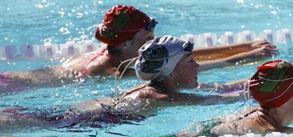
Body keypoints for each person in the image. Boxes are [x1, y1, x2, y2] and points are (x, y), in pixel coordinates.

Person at [0, 36, 293, 130]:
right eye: (190, 62)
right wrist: (287, 85)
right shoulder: (161, 97)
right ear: (173, 71)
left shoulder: (169, 87)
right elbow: (219, 100)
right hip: (74, 123)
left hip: (81, 117)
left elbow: (219, 90)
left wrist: (291, 80)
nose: (198, 65)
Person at [0, 5, 278, 95]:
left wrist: (245, 45)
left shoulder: (118, 52)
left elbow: (179, 55)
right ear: (123, 43)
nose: (152, 44)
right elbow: (183, 64)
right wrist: (245, 58)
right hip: (14, 88)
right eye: (147, 39)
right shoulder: (115, 68)